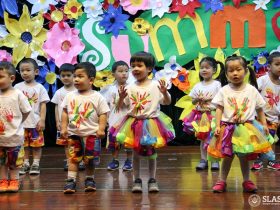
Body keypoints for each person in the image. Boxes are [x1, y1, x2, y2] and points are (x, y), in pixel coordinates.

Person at [109, 52, 175, 193]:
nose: (135, 69)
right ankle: (137, 180)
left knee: (152, 153)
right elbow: (119, 107)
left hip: (152, 123)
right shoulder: (129, 87)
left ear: (150, 68)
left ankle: (152, 179)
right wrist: (120, 98)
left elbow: (167, 102)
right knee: (135, 153)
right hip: (133, 123)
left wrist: (164, 92)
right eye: (133, 66)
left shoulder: (156, 85)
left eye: (140, 65)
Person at [208, 55, 272, 193]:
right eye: (230, 71)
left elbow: (260, 109)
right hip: (228, 128)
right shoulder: (224, 90)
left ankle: (247, 181)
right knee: (227, 157)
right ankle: (222, 181)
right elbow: (219, 108)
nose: (235, 73)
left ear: (246, 71)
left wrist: (264, 124)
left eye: (238, 69)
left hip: (246, 128)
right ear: (226, 73)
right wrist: (218, 126)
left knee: (244, 156)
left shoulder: (252, 90)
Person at [61, 62, 110, 194]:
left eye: (80, 76)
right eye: (75, 76)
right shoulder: (69, 96)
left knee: (90, 160)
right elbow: (65, 111)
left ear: (91, 80)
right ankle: (71, 181)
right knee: (73, 158)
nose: (76, 79)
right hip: (73, 134)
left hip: (91, 134)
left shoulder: (98, 97)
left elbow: (103, 113)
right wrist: (64, 127)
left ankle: (89, 179)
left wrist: (101, 129)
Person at [183, 57, 222, 170]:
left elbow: (220, 99)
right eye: (202, 68)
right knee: (202, 138)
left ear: (214, 70)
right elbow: (193, 100)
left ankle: (214, 160)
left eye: (207, 68)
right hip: (200, 115)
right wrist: (198, 99)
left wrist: (208, 100)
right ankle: (203, 159)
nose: (204, 70)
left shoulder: (217, 85)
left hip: (213, 114)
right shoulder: (197, 86)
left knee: (213, 138)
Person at [0, 62, 31, 192]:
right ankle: (2, 180)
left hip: (14, 137)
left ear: (12, 78)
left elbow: (26, 110)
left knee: (14, 162)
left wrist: (18, 123)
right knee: (1, 162)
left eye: (0, 76)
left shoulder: (18, 94)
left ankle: (14, 180)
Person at [15, 58, 50, 175]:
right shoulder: (17, 87)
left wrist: (42, 120)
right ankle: (25, 163)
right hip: (21, 124)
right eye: (22, 70)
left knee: (36, 145)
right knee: (23, 145)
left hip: (35, 122)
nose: (24, 73)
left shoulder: (40, 88)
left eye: (28, 70)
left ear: (36, 72)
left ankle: (35, 164)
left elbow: (43, 105)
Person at [51, 63, 85, 171]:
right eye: (63, 75)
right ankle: (69, 160)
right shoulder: (58, 92)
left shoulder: (78, 91)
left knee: (80, 141)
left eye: (68, 75)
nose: (65, 78)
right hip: (64, 123)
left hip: (78, 122)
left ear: (74, 75)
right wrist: (58, 121)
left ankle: (82, 160)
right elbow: (57, 107)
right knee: (66, 143)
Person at [100, 61, 133, 171]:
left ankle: (129, 160)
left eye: (126, 71)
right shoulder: (110, 89)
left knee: (128, 142)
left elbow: (127, 104)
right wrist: (107, 119)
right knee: (114, 142)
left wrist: (122, 98)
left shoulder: (132, 88)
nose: (124, 73)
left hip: (128, 119)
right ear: (113, 74)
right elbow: (107, 106)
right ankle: (115, 160)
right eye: (120, 71)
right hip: (114, 119)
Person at [251, 51, 280, 170]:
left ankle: (270, 160)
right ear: (268, 67)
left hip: (273, 117)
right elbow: (253, 93)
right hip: (260, 116)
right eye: (277, 64)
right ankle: (259, 159)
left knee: (271, 139)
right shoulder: (263, 80)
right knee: (259, 138)